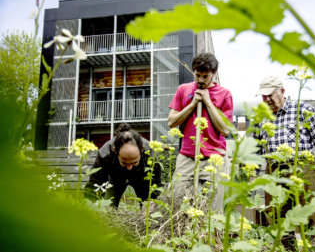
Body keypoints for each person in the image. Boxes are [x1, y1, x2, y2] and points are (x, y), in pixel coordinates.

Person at [253, 76, 315, 220]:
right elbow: (255, 148)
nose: (267, 99)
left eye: (270, 95)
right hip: (274, 170)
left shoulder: (302, 108)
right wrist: (253, 173)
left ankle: (311, 243)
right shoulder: (260, 116)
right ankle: (282, 243)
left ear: (282, 91)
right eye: (264, 96)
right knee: (275, 215)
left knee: (309, 213)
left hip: (303, 167)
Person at [168, 52, 233, 211]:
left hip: (215, 158)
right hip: (187, 155)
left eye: (205, 76)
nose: (201, 80)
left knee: (212, 210)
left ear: (214, 74)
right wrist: (192, 104)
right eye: (197, 75)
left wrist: (208, 102)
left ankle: (210, 236)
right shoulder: (183, 90)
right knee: (178, 204)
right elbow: (171, 122)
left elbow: (225, 130)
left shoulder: (224, 94)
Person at [84, 124, 161, 208]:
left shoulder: (151, 156)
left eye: (134, 162)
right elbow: (95, 182)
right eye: (124, 163)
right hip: (116, 178)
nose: (129, 167)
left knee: (149, 211)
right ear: (115, 151)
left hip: (143, 180)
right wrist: (91, 205)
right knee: (107, 208)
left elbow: (155, 185)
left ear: (142, 149)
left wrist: (150, 203)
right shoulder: (105, 154)